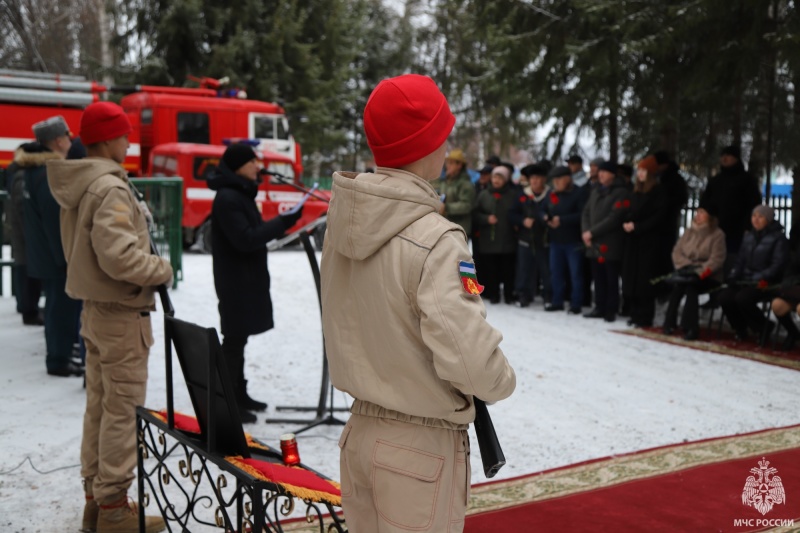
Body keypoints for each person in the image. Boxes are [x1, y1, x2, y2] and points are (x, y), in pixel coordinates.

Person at [320, 74, 516, 533]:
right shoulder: (436, 239)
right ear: (426, 143)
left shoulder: (343, 223)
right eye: (442, 135)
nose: (447, 147)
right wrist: (502, 378)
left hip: (361, 432)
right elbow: (470, 360)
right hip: (419, 444)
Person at [47, 101, 171, 533]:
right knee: (120, 411)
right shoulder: (110, 188)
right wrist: (161, 270)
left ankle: (96, 503)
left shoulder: (83, 183)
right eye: (123, 134)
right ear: (106, 138)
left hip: (96, 312)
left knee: (100, 409)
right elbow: (120, 257)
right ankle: (114, 510)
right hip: (120, 315)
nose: (129, 140)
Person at [208, 142, 304, 424]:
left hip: (245, 277)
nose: (257, 167)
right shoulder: (228, 198)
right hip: (235, 280)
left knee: (240, 338)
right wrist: (283, 221)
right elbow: (246, 238)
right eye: (252, 162)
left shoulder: (240, 193)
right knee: (234, 340)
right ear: (238, 166)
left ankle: (239, 394)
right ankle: (227, 402)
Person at [22, 116, 83, 376]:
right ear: (58, 141)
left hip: (43, 253)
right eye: (67, 137)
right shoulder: (50, 172)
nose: (70, 141)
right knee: (60, 308)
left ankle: (60, 352)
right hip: (55, 256)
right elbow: (54, 220)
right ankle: (59, 359)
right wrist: (66, 258)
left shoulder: (34, 169)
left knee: (56, 307)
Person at [718, 205, 789, 342]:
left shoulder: (778, 238)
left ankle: (763, 326)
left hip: (766, 282)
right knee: (724, 297)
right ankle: (740, 327)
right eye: (754, 216)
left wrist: (760, 276)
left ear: (768, 219)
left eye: (760, 217)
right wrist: (734, 275)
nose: (756, 220)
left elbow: (777, 265)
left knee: (743, 298)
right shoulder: (748, 236)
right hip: (745, 280)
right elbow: (740, 261)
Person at [661, 207, 726, 340]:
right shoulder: (689, 231)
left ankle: (690, 327)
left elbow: (717, 259)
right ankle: (669, 323)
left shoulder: (717, 234)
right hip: (687, 271)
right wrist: (686, 266)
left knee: (691, 287)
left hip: (708, 275)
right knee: (679, 286)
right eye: (698, 212)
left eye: (702, 212)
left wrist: (699, 271)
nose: (698, 215)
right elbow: (677, 252)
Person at [621, 156, 667, 327]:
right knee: (632, 278)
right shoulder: (636, 192)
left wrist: (638, 226)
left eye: (643, 171)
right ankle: (634, 313)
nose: (640, 174)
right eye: (638, 171)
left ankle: (645, 315)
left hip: (649, 242)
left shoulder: (658, 192)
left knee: (644, 280)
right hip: (633, 241)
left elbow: (657, 217)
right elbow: (628, 210)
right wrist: (626, 222)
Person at [581, 161, 629, 322]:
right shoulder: (595, 190)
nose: (601, 174)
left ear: (613, 174)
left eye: (605, 172)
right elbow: (586, 212)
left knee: (611, 277)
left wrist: (591, 232)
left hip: (610, 241)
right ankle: (599, 307)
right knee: (598, 277)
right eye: (600, 171)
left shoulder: (620, 192)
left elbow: (614, 218)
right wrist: (586, 232)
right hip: (593, 241)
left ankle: (611, 309)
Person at [699, 146, 761, 260]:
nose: (724, 158)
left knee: (735, 259)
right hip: (715, 229)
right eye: (722, 155)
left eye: (728, 155)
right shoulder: (715, 181)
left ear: (736, 158)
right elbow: (705, 203)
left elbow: (753, 204)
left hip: (738, 230)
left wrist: (748, 225)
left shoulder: (746, 180)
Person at [540, 165, 588, 313]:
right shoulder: (553, 194)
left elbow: (582, 215)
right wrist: (546, 218)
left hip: (573, 240)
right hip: (556, 240)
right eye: (554, 180)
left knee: (575, 274)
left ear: (567, 178)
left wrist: (562, 220)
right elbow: (542, 209)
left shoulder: (579, 193)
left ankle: (576, 303)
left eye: (559, 179)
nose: (556, 182)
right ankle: (557, 301)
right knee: (556, 272)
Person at [6, 144, 43, 326]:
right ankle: (28, 310)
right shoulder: (23, 177)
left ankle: (27, 307)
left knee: (24, 272)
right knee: (27, 275)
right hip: (25, 239)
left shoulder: (17, 173)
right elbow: (23, 212)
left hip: (21, 238)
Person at [475, 165, 519, 304]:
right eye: (494, 177)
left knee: (508, 269)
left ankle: (508, 294)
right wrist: (486, 219)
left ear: (506, 179)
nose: (496, 180)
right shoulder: (483, 194)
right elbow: (475, 213)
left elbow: (518, 212)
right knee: (491, 268)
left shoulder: (512, 195)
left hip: (507, 238)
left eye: (500, 177)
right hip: (488, 239)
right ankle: (493, 294)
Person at [511, 164, 551, 307]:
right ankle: (523, 295)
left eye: (538, 178)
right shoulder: (522, 195)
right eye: (533, 178)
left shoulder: (550, 195)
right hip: (525, 239)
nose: (535, 181)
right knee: (524, 269)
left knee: (546, 270)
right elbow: (512, 214)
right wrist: (522, 221)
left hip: (544, 240)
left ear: (544, 179)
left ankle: (548, 297)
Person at [439, 148, 476, 235]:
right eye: (448, 163)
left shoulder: (466, 184)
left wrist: (446, 207)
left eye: (451, 163)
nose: (448, 165)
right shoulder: (446, 181)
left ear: (459, 165)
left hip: (459, 228)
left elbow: (467, 205)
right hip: (446, 226)